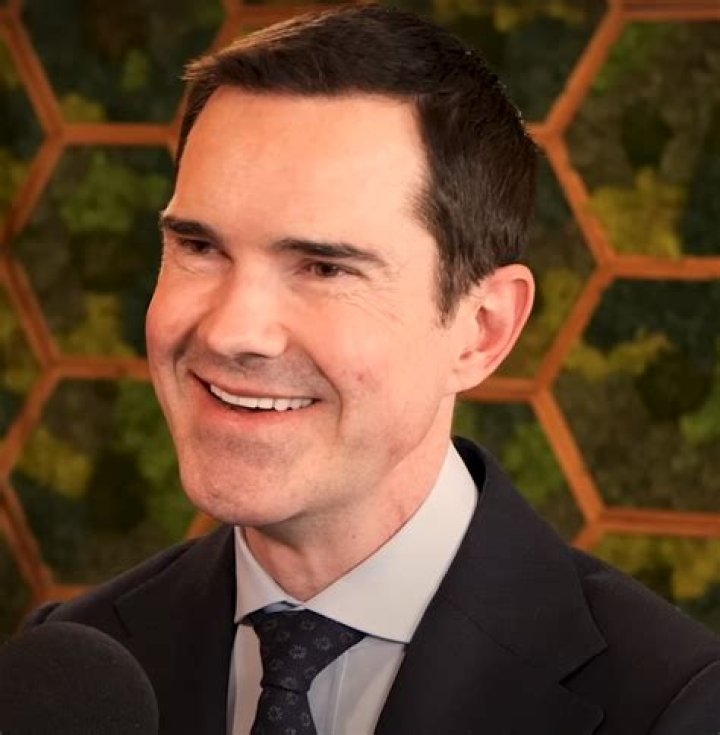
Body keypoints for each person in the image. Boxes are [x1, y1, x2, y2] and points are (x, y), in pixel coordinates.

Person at [24, 4, 720, 734]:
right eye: (200, 248)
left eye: (323, 267)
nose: (231, 331)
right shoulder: (66, 675)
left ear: (482, 330)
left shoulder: (675, 708)